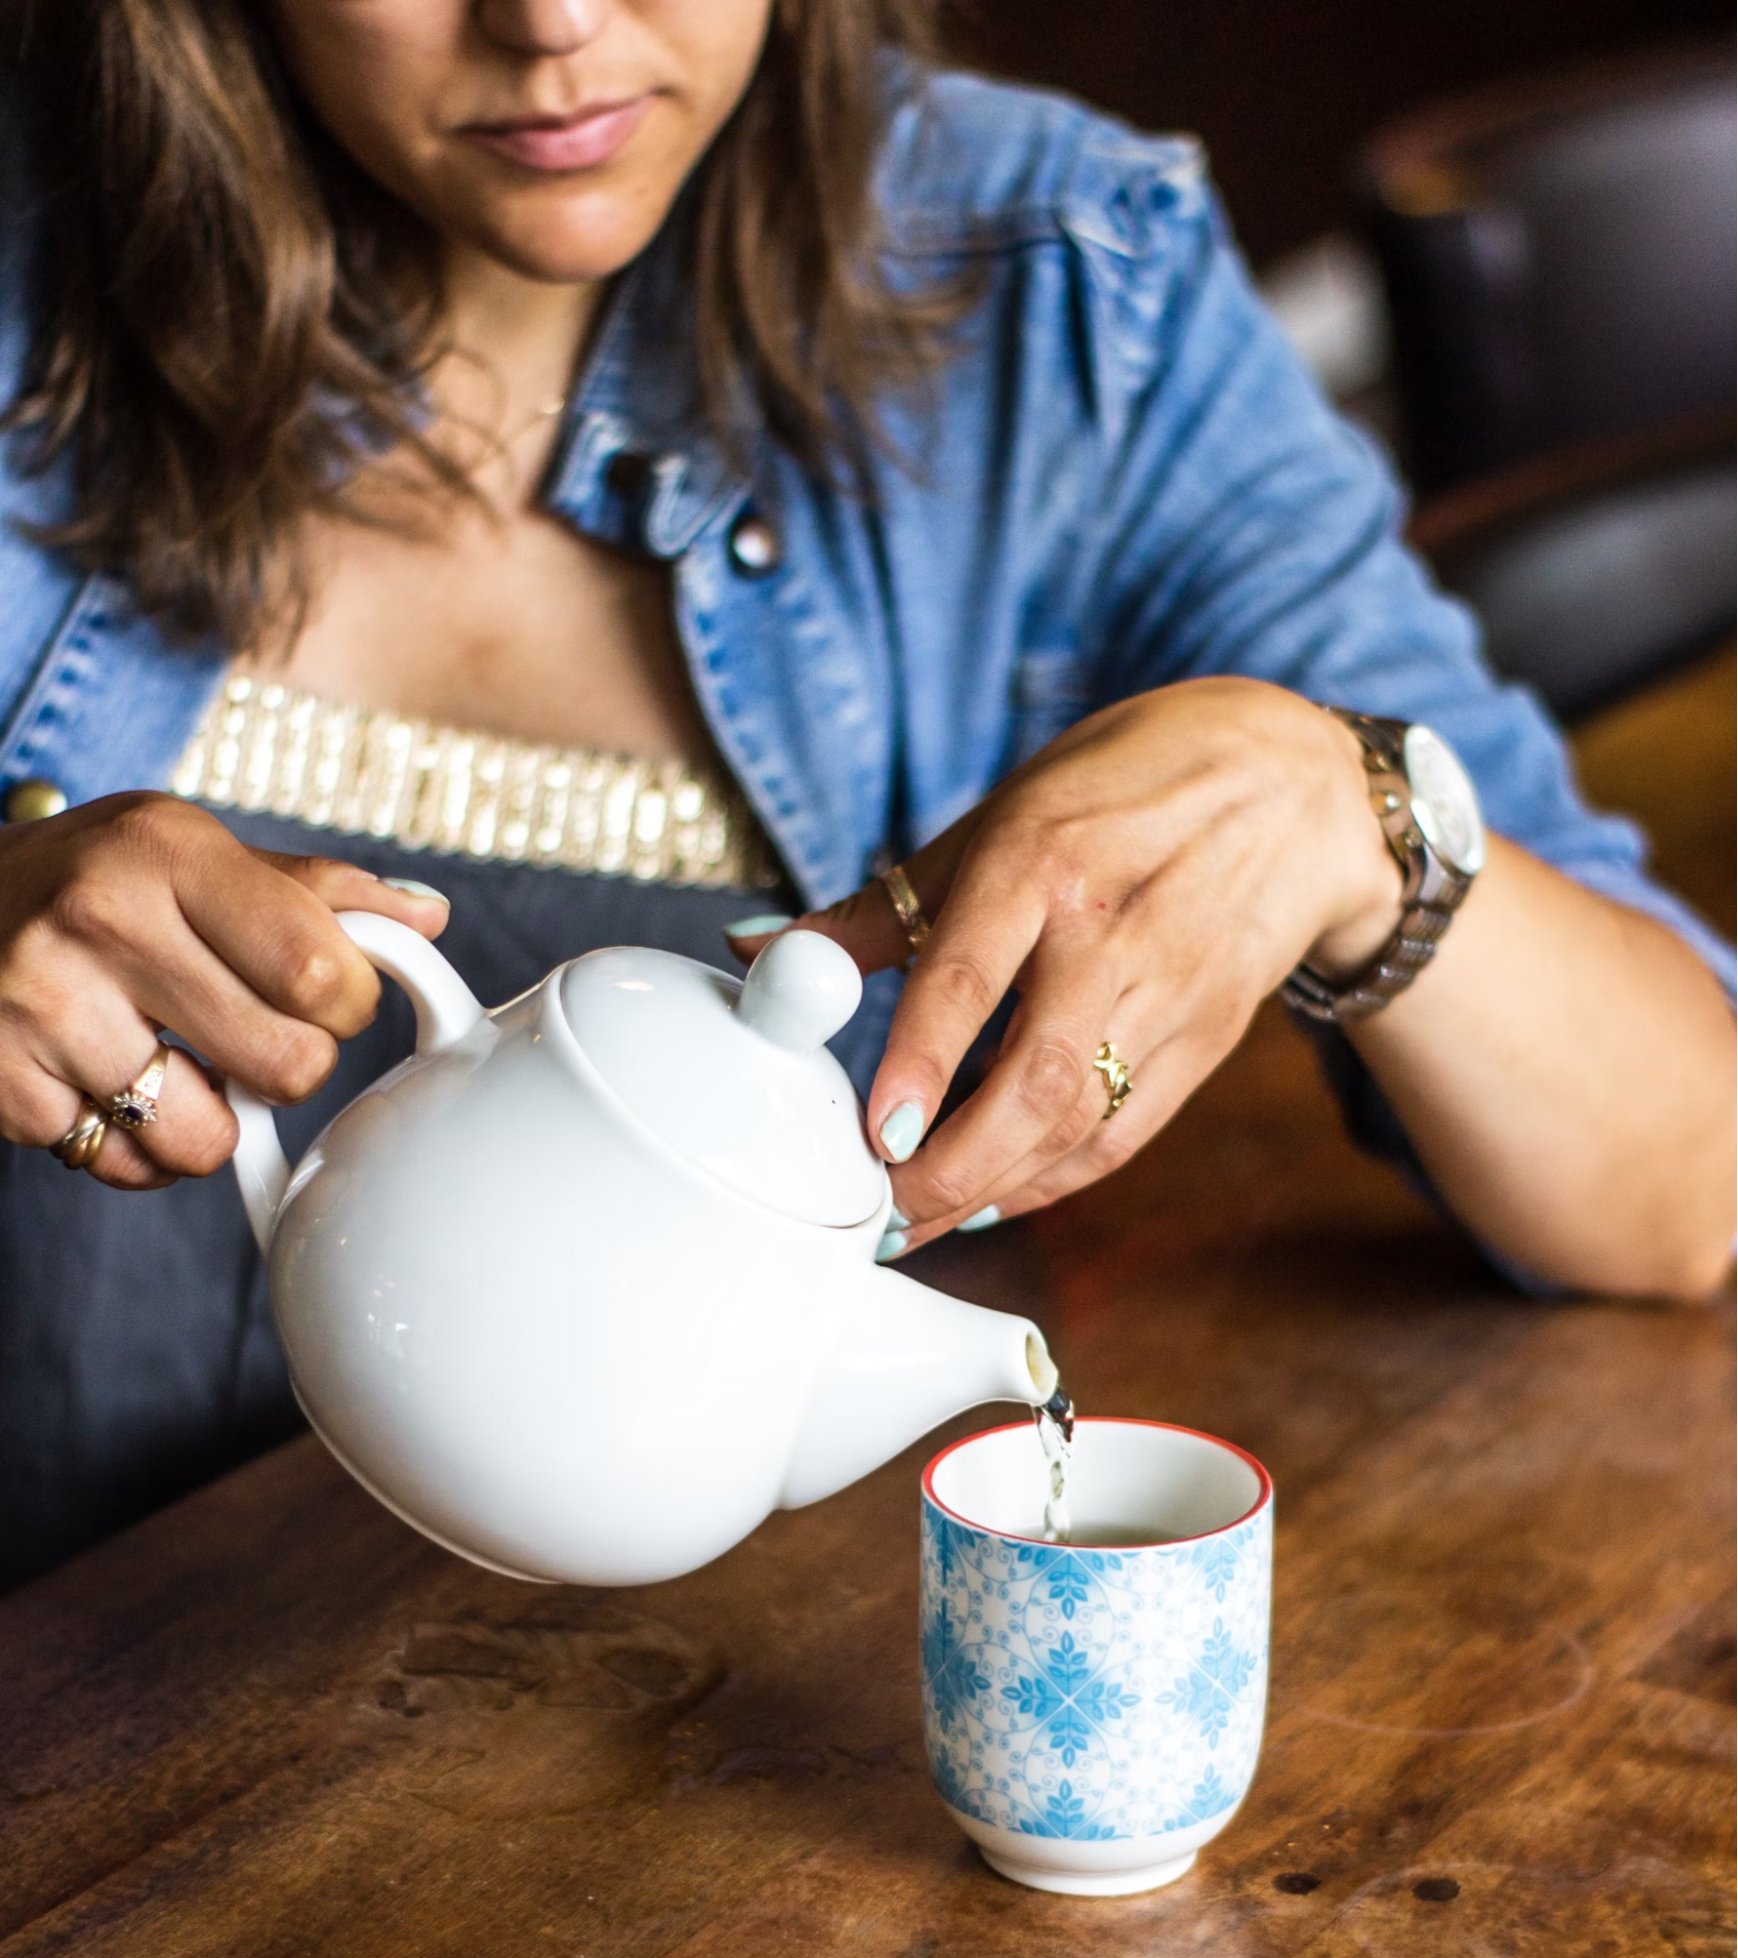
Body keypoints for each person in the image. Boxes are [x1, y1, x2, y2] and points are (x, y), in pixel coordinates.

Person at [0, 1, 1731, 1590]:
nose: (555, 24)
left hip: (675, 1765)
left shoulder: (1052, 290)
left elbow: (1684, 1182)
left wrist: (1345, 813)